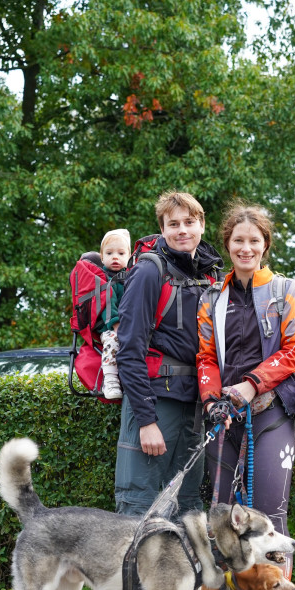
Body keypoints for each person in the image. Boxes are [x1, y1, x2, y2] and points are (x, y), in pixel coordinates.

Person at [196, 202, 295, 590]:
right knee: (224, 519)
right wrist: (211, 397)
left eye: (254, 241)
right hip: (225, 416)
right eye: (238, 241)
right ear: (227, 244)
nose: (246, 248)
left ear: (265, 245)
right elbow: (205, 356)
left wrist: (250, 384)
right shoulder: (212, 299)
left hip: (271, 413)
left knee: (270, 517)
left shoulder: (286, 291)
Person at [114, 191, 224, 516]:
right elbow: (129, 350)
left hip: (195, 407)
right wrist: (146, 421)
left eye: (189, 222)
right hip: (154, 405)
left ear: (202, 225)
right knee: (138, 508)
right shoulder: (150, 272)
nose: (182, 230)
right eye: (172, 224)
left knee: (189, 507)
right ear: (162, 229)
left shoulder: (211, 275)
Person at [98, 228, 132, 400]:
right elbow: (107, 305)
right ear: (102, 257)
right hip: (111, 326)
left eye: (121, 253)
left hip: (131, 325)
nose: (115, 257)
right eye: (109, 253)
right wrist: (117, 325)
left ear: (129, 256)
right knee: (113, 339)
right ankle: (110, 379)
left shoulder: (132, 277)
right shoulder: (105, 279)